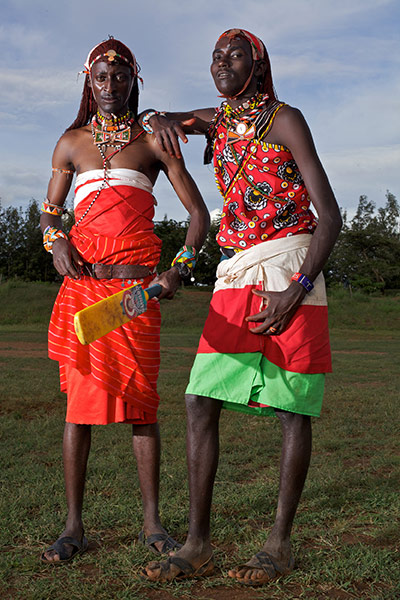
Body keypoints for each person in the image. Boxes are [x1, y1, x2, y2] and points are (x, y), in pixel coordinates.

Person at [140, 28, 342, 585]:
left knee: (291, 409)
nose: (221, 63)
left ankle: (279, 545)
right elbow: (169, 119)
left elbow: (332, 216)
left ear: (257, 64)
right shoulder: (220, 118)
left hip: (289, 267)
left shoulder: (285, 119)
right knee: (200, 398)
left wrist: (296, 288)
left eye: (234, 56)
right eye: (215, 57)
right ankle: (198, 542)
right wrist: (160, 115)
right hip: (236, 272)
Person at [40, 37, 209, 564]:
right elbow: (49, 211)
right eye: (100, 79)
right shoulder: (70, 142)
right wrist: (57, 240)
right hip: (83, 293)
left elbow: (199, 217)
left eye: (119, 77)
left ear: (134, 80)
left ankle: (153, 523)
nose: (110, 87)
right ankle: (73, 526)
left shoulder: (154, 141)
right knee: (78, 412)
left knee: (141, 409)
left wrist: (179, 268)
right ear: (88, 83)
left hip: (135, 296)